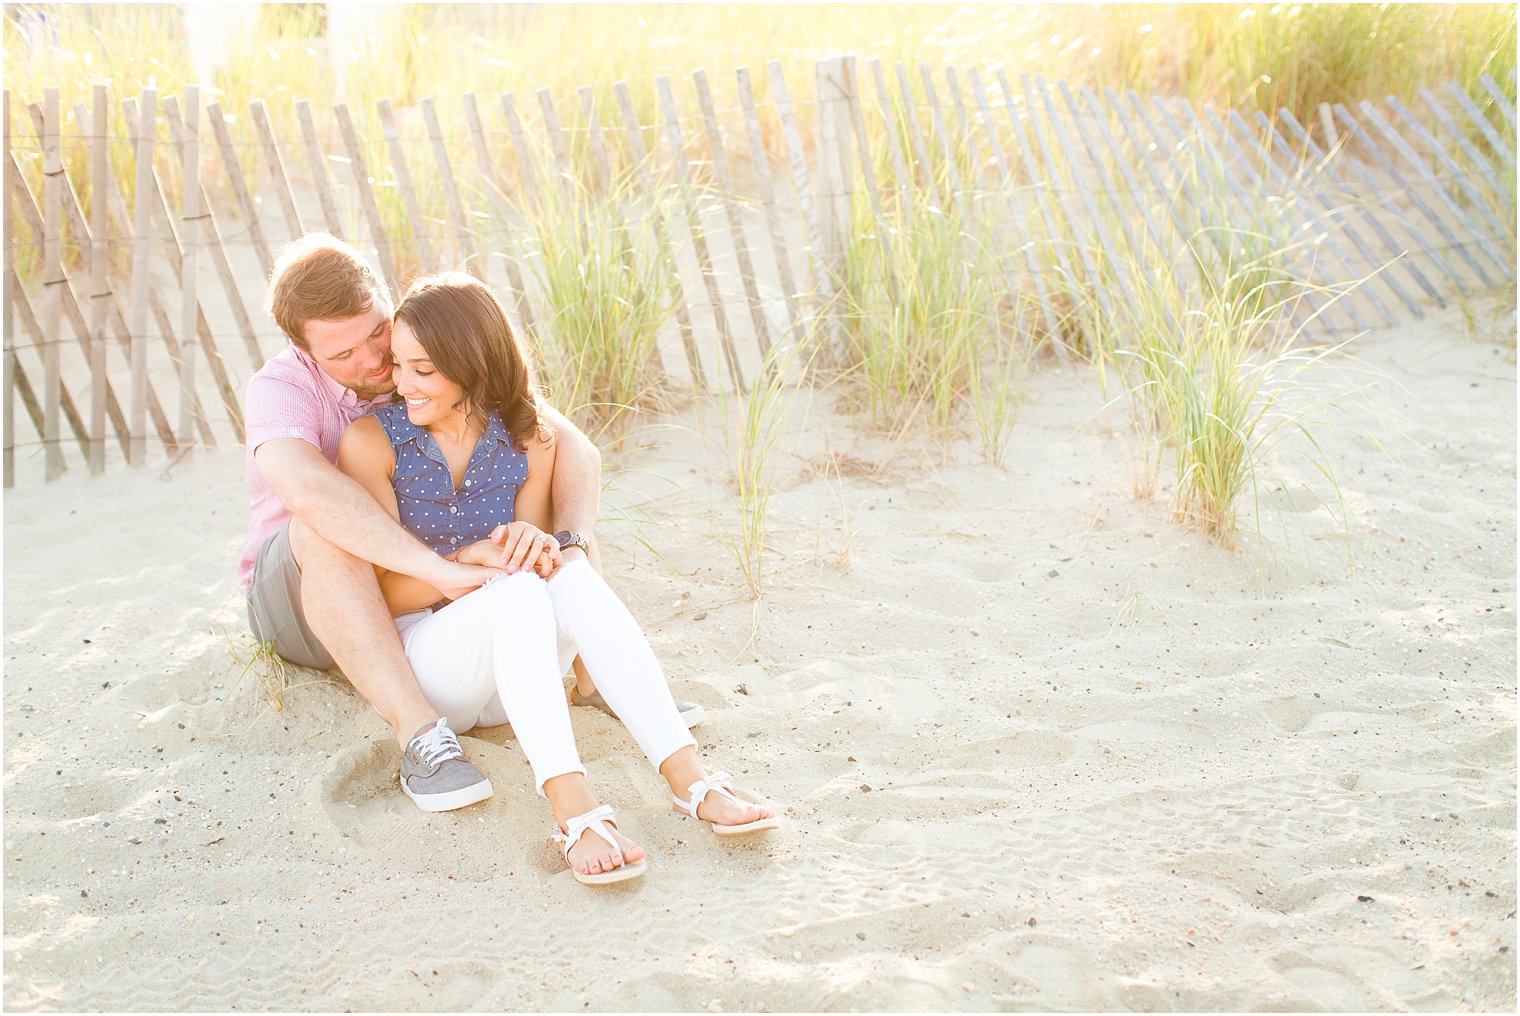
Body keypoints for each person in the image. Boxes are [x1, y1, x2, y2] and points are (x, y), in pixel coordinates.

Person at [337, 272, 777, 883]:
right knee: (515, 585)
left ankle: (692, 780)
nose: (401, 383)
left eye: (423, 370)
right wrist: (467, 563)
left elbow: (541, 563)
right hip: (436, 670)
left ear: (473, 363)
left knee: (564, 574)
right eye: (399, 365)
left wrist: (537, 546)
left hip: (520, 679)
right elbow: (381, 596)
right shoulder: (370, 443)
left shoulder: (529, 437)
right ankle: (574, 810)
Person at [239, 233, 701, 815]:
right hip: (302, 595)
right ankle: (419, 735)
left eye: (376, 332)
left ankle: (601, 680)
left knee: (543, 543)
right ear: (305, 351)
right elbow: (307, 489)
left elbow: (569, 445)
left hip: (430, 597)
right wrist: (446, 570)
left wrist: (570, 544)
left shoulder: (419, 344)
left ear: (385, 299)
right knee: (325, 519)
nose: (374, 361)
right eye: (342, 356)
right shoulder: (281, 389)